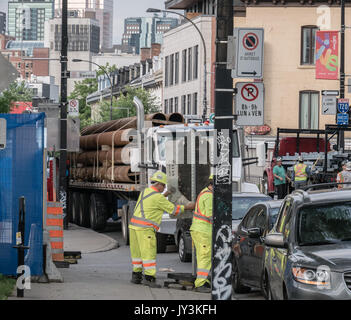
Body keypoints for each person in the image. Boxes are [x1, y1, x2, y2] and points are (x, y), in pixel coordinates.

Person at [129, 171, 195, 288]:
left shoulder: (145, 192)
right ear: (158, 184)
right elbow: (173, 210)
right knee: (148, 254)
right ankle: (149, 279)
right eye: (163, 185)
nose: (164, 188)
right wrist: (188, 207)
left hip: (134, 227)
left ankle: (136, 276)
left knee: (137, 254)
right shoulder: (158, 198)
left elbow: (154, 200)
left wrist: (166, 193)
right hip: (145, 229)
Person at [190, 174, 213, 293]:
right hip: (203, 231)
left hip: (199, 230)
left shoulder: (203, 192)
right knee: (205, 257)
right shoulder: (209, 196)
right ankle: (201, 283)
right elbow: (211, 216)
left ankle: (203, 280)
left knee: (202, 256)